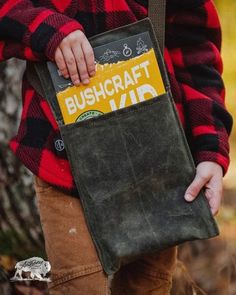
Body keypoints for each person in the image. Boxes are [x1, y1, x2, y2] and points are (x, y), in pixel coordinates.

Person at [0, 0, 233, 294]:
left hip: (159, 163)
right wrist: (48, 30)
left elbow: (196, 54)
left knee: (148, 286)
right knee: (79, 286)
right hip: (64, 162)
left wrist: (210, 149)